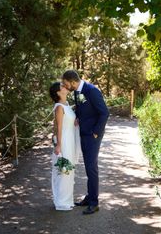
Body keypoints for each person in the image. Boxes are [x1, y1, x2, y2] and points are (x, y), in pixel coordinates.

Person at [62, 70, 109, 215]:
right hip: (83, 133)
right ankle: (89, 198)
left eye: (65, 83)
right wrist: (77, 116)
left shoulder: (92, 91)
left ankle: (94, 203)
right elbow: (82, 107)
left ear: (72, 81)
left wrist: (96, 132)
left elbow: (104, 112)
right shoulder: (77, 91)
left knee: (91, 167)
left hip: (92, 136)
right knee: (88, 167)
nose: (64, 86)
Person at [49, 82, 81, 211]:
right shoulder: (59, 107)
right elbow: (59, 128)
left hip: (71, 140)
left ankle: (68, 199)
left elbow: (70, 123)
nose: (65, 87)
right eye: (62, 86)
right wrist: (58, 146)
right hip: (64, 142)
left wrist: (76, 122)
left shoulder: (67, 105)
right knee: (64, 171)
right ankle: (61, 201)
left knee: (70, 171)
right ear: (58, 92)